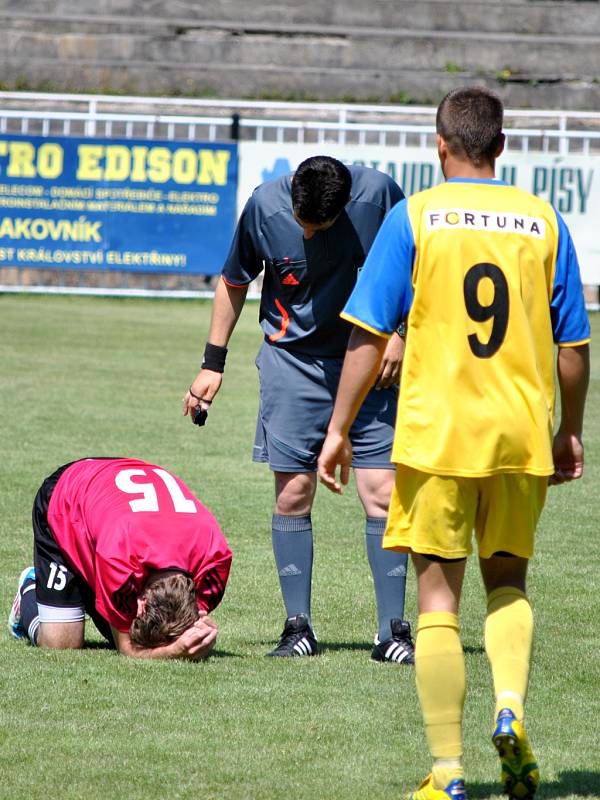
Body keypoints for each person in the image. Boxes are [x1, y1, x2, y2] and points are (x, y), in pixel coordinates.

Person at [318, 87, 590, 799]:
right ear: (502, 147)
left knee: (438, 602)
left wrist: (340, 429)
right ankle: (511, 708)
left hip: (437, 436)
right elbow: (573, 345)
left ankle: (448, 773)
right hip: (517, 436)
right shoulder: (544, 221)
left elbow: (369, 333)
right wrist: (569, 429)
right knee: (509, 582)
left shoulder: (417, 216)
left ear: (439, 144)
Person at [183, 155, 414, 662]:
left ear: (345, 208)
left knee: (383, 492)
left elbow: (418, 270)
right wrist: (212, 364)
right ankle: (298, 628)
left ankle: (392, 632)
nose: (309, 236)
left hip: (372, 359)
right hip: (294, 362)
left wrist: (401, 333)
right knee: (293, 494)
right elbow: (234, 280)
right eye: (302, 224)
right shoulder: (264, 206)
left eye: (321, 228)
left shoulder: (379, 198)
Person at [9, 457, 232, 660]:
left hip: (111, 509)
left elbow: (189, 620)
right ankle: (30, 588)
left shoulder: (215, 559)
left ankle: (83, 589)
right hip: (67, 495)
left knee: (149, 633)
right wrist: (175, 651)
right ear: (141, 602)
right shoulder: (119, 558)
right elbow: (126, 648)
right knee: (61, 644)